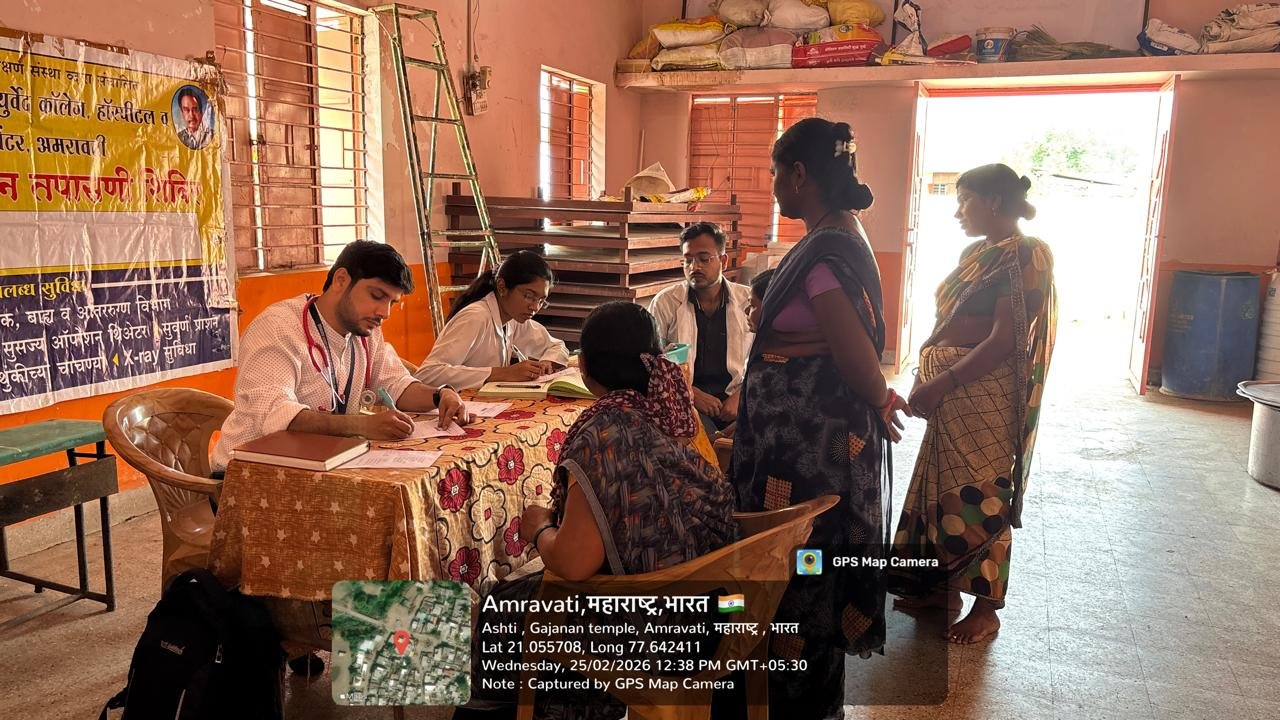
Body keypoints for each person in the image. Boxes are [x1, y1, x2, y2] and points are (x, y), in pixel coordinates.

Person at [457, 301, 738, 719]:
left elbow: (574, 563)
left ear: (584, 367)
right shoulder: (674, 412)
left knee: (502, 605)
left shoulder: (602, 434)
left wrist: (540, 529)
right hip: (716, 607)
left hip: (657, 630)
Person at [730, 117, 909, 719]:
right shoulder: (832, 236)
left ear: (800, 175)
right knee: (796, 570)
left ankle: (801, 706)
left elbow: (854, 354)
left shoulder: (828, 250)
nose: (774, 185)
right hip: (801, 446)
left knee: (804, 572)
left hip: (813, 451)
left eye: (776, 173)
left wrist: (881, 398)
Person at [889, 164, 1057, 645]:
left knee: (982, 492)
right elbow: (949, 323)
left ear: (994, 202)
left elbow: (1004, 339)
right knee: (940, 484)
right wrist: (926, 374)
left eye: (965, 200)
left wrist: (943, 382)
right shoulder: (976, 253)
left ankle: (986, 610)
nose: (958, 211)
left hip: (985, 393)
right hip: (952, 391)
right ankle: (941, 590)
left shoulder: (1026, 254)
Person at [212, 240, 470, 472]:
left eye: (392, 302)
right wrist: (362, 426)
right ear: (341, 280)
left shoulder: (365, 332)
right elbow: (276, 415)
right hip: (248, 474)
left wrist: (440, 395)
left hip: (323, 467)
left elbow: (396, 384)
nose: (385, 313)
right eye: (377, 295)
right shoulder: (278, 328)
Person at [649, 222, 753, 437]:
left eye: (704, 259)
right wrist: (691, 393)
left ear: (723, 260)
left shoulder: (748, 301)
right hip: (685, 402)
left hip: (737, 399)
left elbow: (764, 358)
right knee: (701, 440)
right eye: (688, 260)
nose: (694, 267)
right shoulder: (666, 302)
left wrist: (742, 394)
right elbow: (651, 360)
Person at [416, 250, 570, 389]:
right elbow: (428, 375)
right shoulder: (476, 317)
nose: (535, 307)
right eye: (528, 296)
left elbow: (557, 346)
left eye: (541, 301)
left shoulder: (513, 319)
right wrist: (502, 373)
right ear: (502, 286)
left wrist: (547, 362)